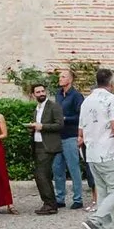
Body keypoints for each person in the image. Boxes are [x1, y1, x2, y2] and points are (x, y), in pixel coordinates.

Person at [79, 67, 114, 229]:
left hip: (92, 153)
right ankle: (95, 219)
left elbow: (81, 129)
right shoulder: (111, 100)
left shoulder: (86, 101)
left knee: (102, 191)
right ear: (111, 82)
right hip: (109, 152)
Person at [52, 68, 87, 210]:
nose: (60, 78)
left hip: (71, 136)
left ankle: (78, 198)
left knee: (73, 168)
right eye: (60, 76)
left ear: (70, 79)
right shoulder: (58, 95)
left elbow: (81, 117)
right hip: (57, 137)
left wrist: (65, 119)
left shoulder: (77, 96)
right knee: (57, 168)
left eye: (63, 76)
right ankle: (59, 198)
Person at [29, 81, 65, 214]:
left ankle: (50, 205)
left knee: (41, 175)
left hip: (49, 146)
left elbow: (60, 125)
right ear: (33, 95)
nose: (41, 94)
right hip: (38, 144)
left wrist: (42, 126)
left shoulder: (54, 106)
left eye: (43, 91)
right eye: (38, 92)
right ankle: (50, 203)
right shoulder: (37, 109)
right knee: (42, 175)